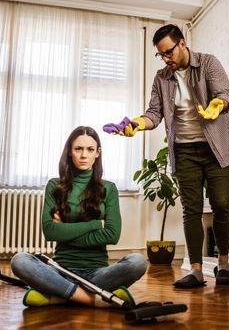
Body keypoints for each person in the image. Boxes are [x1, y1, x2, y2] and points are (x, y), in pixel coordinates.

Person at [104, 24, 229, 288]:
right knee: (191, 209)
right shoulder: (161, 78)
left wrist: (216, 105)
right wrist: (136, 124)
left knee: (221, 203)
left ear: (182, 43)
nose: (166, 59)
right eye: (161, 55)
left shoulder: (209, 63)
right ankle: (197, 271)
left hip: (216, 147)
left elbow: (224, 94)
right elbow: (154, 113)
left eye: (169, 52)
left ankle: (223, 264)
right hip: (185, 149)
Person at [11, 126, 148, 307]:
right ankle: (92, 299)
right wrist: (95, 224)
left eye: (90, 149)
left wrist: (65, 232)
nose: (84, 155)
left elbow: (112, 235)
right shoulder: (54, 186)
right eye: (78, 149)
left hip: (98, 272)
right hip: (60, 270)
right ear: (70, 151)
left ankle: (58, 295)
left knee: (137, 262)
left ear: (97, 153)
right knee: (19, 260)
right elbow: (50, 232)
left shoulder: (109, 189)